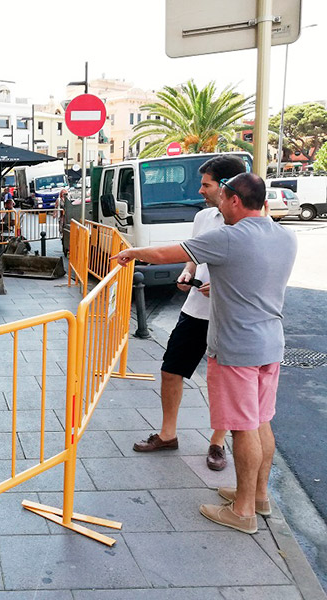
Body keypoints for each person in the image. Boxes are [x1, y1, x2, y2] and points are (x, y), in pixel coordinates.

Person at [113, 172, 297, 534]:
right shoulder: (285, 236)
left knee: (242, 429)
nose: (219, 205)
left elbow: (169, 252)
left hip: (236, 348)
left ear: (235, 201)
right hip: (270, 343)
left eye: (223, 198)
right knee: (261, 422)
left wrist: (132, 251)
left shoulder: (230, 236)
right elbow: (253, 278)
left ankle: (242, 512)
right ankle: (258, 497)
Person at [133, 155, 246, 472]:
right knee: (171, 370)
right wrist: (187, 272)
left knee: (222, 383)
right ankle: (167, 434)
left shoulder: (250, 226)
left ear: (226, 187)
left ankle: (217, 443)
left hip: (228, 319)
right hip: (194, 310)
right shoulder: (204, 219)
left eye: (205, 184)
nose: (200, 190)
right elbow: (192, 256)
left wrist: (222, 288)